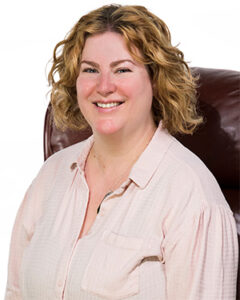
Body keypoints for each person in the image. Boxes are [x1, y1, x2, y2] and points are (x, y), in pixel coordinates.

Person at [5, 4, 238, 300]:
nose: (104, 86)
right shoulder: (51, 175)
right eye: (90, 70)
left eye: (123, 69)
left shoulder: (193, 200)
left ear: (155, 79)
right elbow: (15, 292)